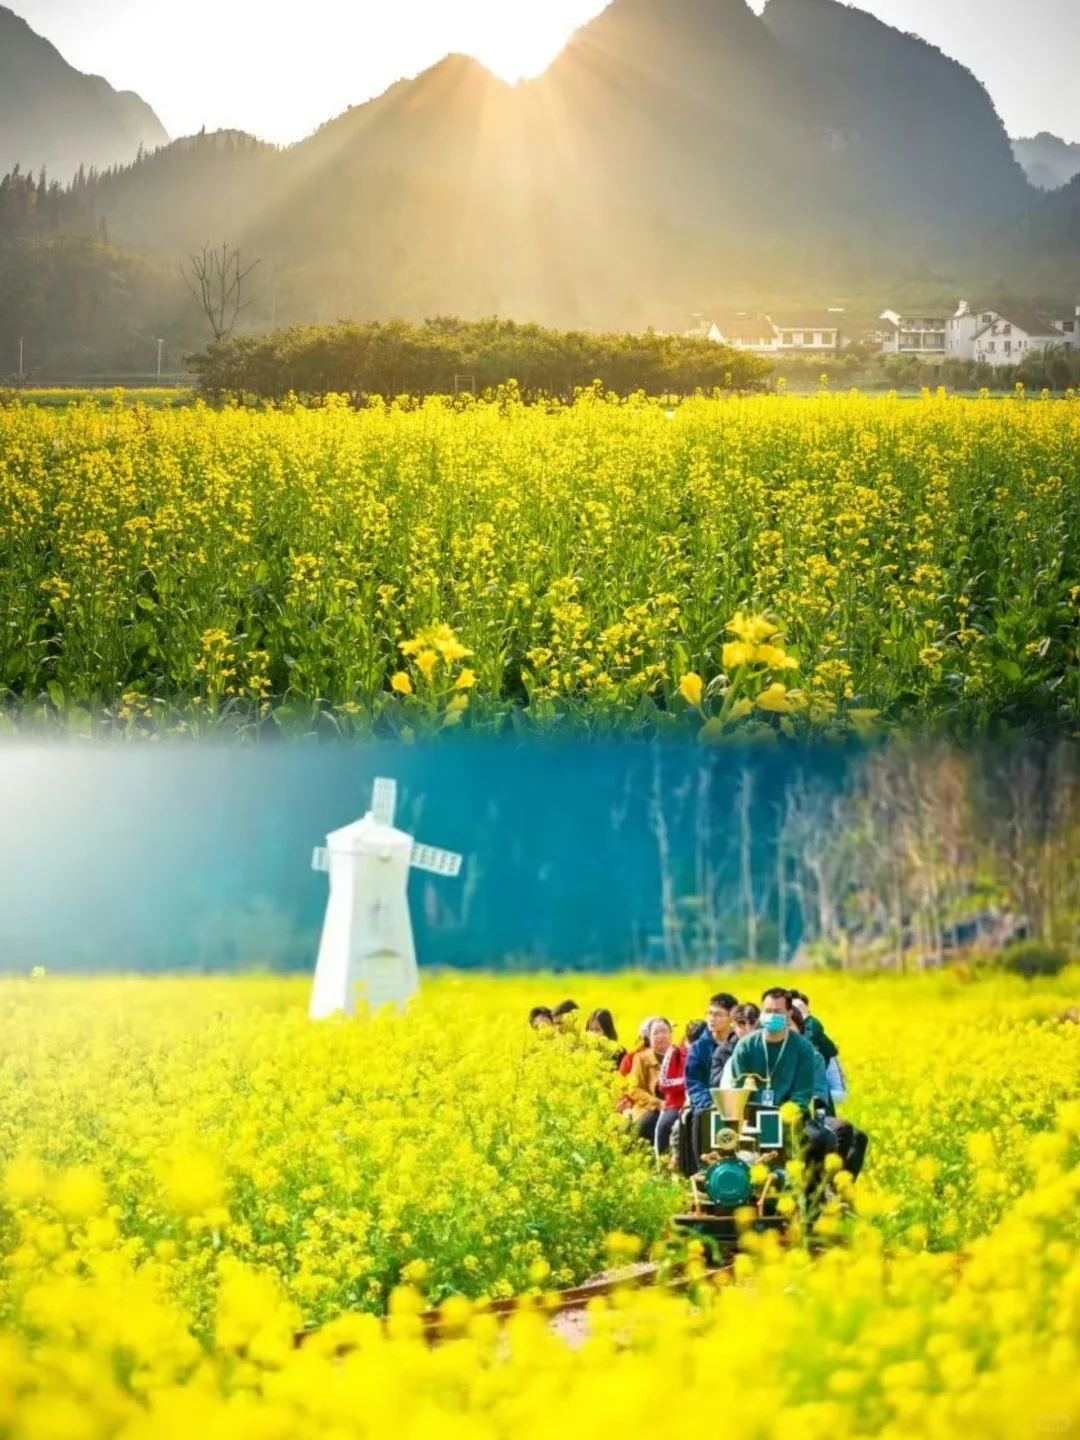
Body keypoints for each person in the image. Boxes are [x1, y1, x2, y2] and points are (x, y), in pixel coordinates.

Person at [654, 1020, 704, 1157]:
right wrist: (688, 1081)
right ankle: (663, 1165)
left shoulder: (709, 1051)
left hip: (701, 1102)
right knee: (665, 1127)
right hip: (676, 1104)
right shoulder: (675, 1052)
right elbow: (663, 1083)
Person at [685, 992, 739, 1113]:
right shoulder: (698, 1047)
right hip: (708, 1105)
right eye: (709, 1013)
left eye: (718, 1014)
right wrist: (710, 1104)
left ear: (732, 1017)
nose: (712, 1018)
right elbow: (695, 1084)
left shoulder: (741, 1044)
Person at [626, 1018, 673, 1146]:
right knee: (648, 1124)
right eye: (656, 1033)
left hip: (675, 1107)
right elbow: (633, 1089)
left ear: (671, 1034)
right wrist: (657, 1103)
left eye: (664, 1031)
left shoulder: (680, 1056)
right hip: (649, 1109)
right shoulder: (641, 1058)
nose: (661, 1036)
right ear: (649, 1038)